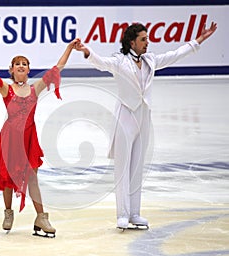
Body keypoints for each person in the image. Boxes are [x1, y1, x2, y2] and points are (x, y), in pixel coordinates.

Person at [75, 22, 217, 229]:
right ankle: (122, 214)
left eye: (147, 38)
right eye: (143, 39)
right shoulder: (119, 61)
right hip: (125, 115)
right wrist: (87, 50)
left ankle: (134, 213)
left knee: (137, 167)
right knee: (122, 168)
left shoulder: (150, 60)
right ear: (131, 42)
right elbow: (101, 63)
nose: (147, 43)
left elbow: (175, 55)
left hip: (144, 116)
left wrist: (200, 39)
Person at [0, 36, 79, 237]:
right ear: (11, 70)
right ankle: (8, 212)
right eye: (17, 64)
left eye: (24, 64)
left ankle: (41, 217)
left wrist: (69, 49)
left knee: (32, 178)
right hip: (10, 139)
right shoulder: (6, 89)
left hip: (29, 139)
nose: (21, 66)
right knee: (7, 177)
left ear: (28, 70)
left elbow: (57, 68)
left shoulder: (35, 89)